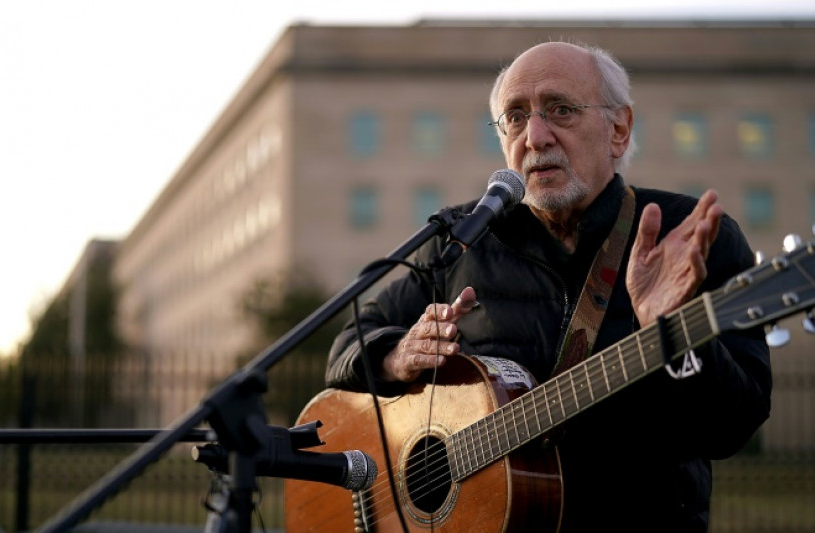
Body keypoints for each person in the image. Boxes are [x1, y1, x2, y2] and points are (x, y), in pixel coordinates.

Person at [325, 41, 772, 532]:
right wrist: (396, 355)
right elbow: (347, 347)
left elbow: (734, 425)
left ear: (618, 129)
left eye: (560, 110)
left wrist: (678, 337)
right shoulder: (462, 239)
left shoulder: (689, 237)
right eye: (515, 118)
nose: (536, 137)